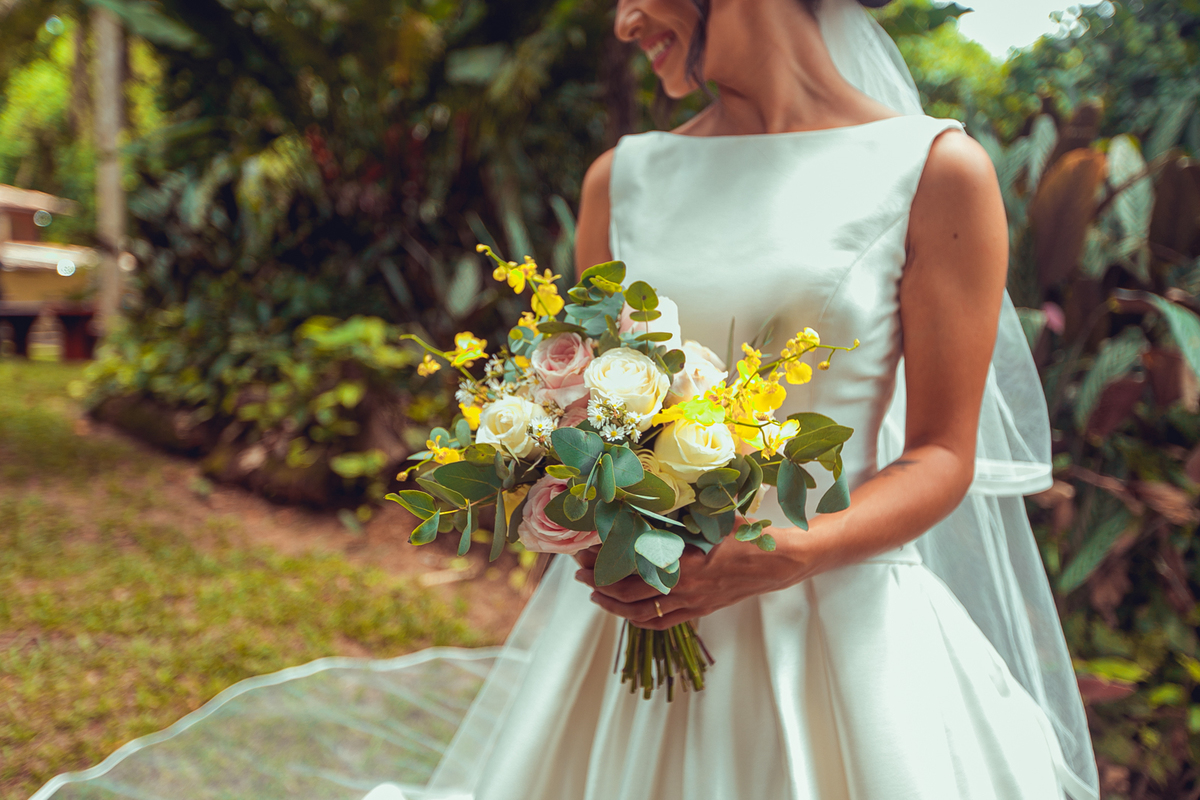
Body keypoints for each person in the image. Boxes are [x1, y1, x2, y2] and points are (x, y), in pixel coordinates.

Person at [32, 1, 1098, 799]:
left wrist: (786, 551)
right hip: (633, 634)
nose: (625, 20)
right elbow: (584, 400)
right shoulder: (621, 180)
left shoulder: (933, 171)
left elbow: (943, 456)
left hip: (845, 632)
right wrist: (587, 502)